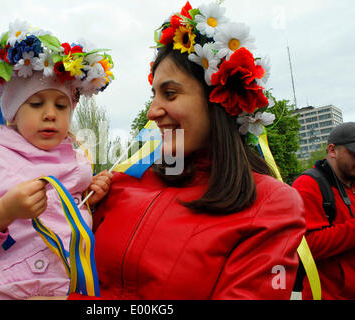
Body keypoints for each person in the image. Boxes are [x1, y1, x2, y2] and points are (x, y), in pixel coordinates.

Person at [65, 1, 306, 300]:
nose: (152, 112)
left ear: (217, 98)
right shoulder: (121, 185)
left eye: (170, 93)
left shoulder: (271, 205)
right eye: (153, 95)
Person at [0, 21, 113, 300]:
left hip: (69, 290)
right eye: (36, 104)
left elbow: (65, 226)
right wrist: (1, 212)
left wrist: (89, 203)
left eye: (61, 105)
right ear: (12, 112)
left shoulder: (75, 165)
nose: (50, 114)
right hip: (3, 292)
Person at [292, 122, 355, 300]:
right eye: (354, 153)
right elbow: (307, 246)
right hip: (328, 294)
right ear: (333, 150)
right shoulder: (308, 185)